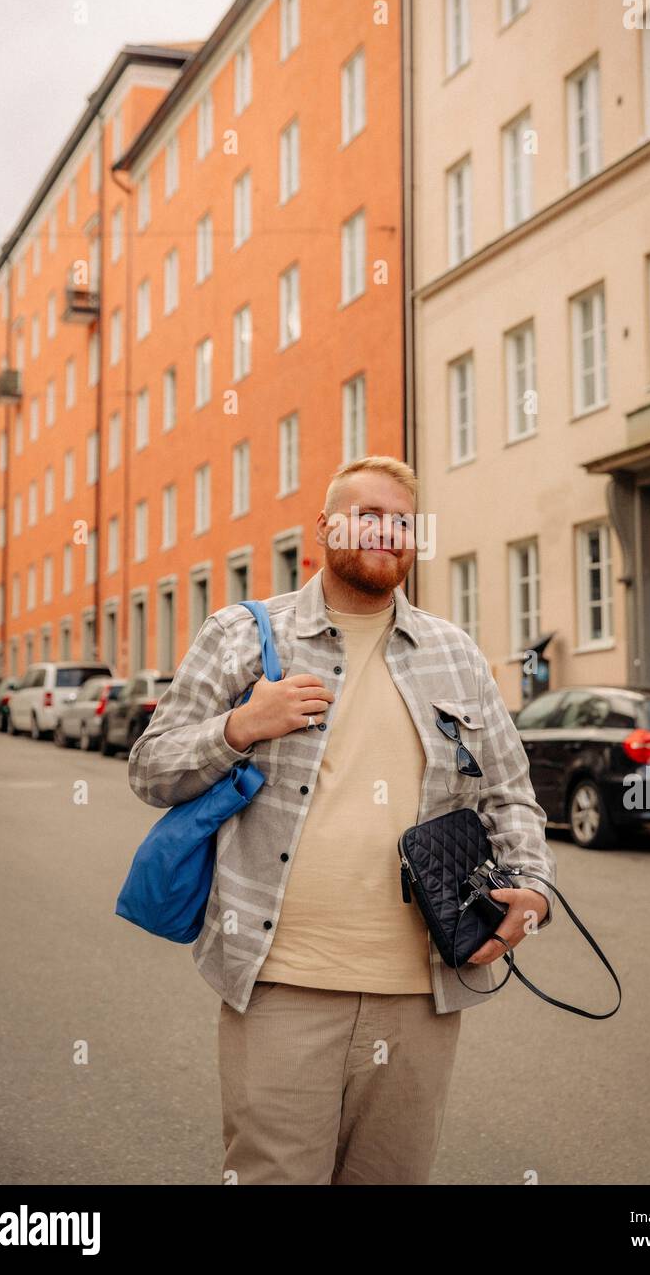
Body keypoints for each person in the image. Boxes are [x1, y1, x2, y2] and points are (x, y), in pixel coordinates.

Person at [128, 454, 556, 1185]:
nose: (385, 531)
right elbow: (152, 768)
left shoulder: (454, 655)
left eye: (400, 519)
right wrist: (239, 726)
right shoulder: (241, 635)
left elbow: (508, 794)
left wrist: (532, 888)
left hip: (420, 991)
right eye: (366, 514)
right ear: (324, 527)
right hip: (281, 987)